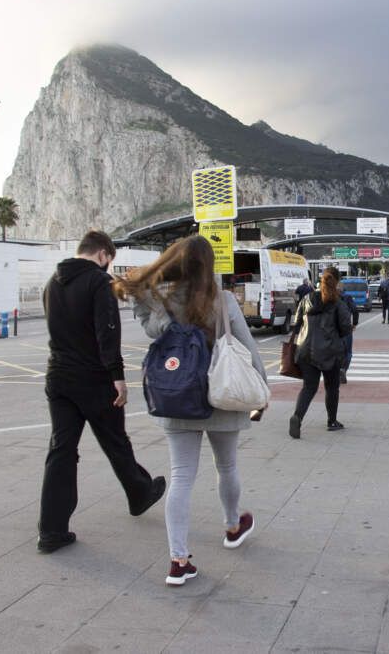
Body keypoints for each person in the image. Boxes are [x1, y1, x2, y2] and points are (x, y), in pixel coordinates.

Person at [115, 235, 265, 586]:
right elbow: (247, 347)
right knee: (226, 465)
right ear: (210, 266)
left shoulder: (162, 301)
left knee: (182, 475)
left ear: (177, 262)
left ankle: (178, 561)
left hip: (177, 394)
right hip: (221, 397)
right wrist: (261, 391)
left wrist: (146, 297)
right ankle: (232, 526)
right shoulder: (224, 300)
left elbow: (151, 330)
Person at [37, 230, 165, 554]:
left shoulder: (53, 282)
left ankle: (51, 530)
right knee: (115, 441)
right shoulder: (98, 282)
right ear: (104, 254)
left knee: (61, 450)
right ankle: (139, 493)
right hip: (93, 379)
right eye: (110, 261)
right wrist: (117, 376)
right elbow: (107, 332)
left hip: (58, 376)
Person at [290, 267, 353, 437]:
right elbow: (346, 328)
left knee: (309, 387)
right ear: (337, 281)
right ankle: (332, 421)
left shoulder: (306, 298)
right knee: (332, 387)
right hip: (329, 352)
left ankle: (297, 417)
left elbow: (295, 324)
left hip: (305, 351)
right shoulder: (338, 302)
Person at [339, 280, 360, 384]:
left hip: (333, 329)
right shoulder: (347, 297)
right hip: (346, 328)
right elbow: (355, 310)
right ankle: (343, 369)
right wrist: (354, 324)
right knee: (348, 352)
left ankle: (336, 371)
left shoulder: (330, 297)